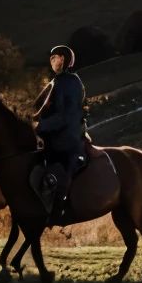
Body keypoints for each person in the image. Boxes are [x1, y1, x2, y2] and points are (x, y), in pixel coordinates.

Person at [33, 45, 87, 210]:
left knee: (55, 167)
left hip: (67, 137)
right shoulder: (57, 81)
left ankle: (58, 204)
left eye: (53, 58)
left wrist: (41, 126)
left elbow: (64, 117)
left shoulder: (69, 83)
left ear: (62, 59)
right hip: (56, 134)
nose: (51, 61)